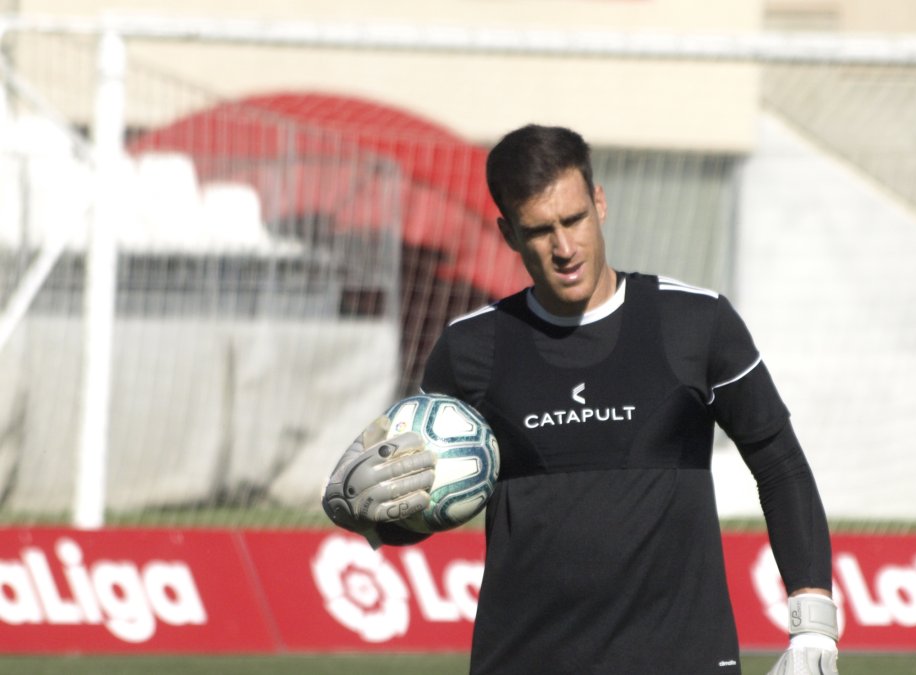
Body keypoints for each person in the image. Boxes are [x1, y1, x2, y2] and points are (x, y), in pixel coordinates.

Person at [323, 124, 838, 675]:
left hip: (682, 660)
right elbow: (422, 504)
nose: (565, 248)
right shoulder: (469, 349)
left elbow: (779, 464)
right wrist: (370, 515)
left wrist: (813, 628)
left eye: (574, 220)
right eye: (540, 230)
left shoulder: (697, 322)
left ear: (600, 202)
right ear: (508, 234)